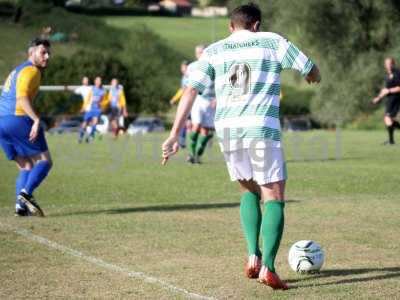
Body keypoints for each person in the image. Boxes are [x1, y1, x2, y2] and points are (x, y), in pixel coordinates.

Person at [162, 3, 321, 290]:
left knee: (248, 189)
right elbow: (309, 68)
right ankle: (269, 268)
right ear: (257, 25)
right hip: (260, 126)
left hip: (229, 129)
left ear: (230, 26)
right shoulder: (272, 41)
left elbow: (190, 89)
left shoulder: (214, 50)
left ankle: (252, 254)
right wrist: (313, 77)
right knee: (273, 195)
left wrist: (174, 134)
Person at [0, 38, 53, 217]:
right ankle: (26, 194)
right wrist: (36, 119)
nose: (47, 56)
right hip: (18, 119)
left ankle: (20, 207)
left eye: (48, 53)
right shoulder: (32, 70)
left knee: (25, 165)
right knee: (45, 161)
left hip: (2, 121)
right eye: (43, 52)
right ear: (31, 53)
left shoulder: (18, 70)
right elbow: (22, 98)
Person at [186, 45, 216, 164]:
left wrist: (217, 98)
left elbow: (221, 83)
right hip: (198, 99)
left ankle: (197, 155)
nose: (200, 54)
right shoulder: (192, 67)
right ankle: (192, 154)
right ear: (196, 54)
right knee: (196, 126)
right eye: (198, 52)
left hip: (211, 101)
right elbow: (187, 85)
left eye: (202, 52)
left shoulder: (215, 66)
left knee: (206, 131)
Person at [372, 57, 400, 145]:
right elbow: (385, 89)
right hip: (390, 99)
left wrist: (389, 91)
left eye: (390, 63)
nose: (388, 65)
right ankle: (391, 141)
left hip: (396, 98)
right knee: (388, 119)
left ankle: (391, 141)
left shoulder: (397, 73)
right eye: (387, 64)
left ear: (393, 64)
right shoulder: (388, 75)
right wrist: (378, 97)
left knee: (387, 118)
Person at [78, 76, 106, 143]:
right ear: (95, 81)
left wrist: (102, 105)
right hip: (91, 108)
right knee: (85, 122)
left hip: (98, 109)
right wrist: (83, 107)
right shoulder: (92, 89)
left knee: (95, 122)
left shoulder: (103, 90)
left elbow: (105, 100)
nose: (98, 82)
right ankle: (81, 136)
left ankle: (90, 137)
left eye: (100, 81)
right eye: (97, 80)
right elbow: (87, 99)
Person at [170, 60, 191, 148]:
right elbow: (182, 90)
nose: (182, 69)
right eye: (181, 67)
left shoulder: (191, 76)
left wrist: (174, 99)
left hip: (191, 102)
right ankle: (182, 140)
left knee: (186, 122)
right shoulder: (184, 77)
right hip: (186, 101)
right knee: (184, 121)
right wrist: (174, 99)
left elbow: (185, 90)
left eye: (184, 67)